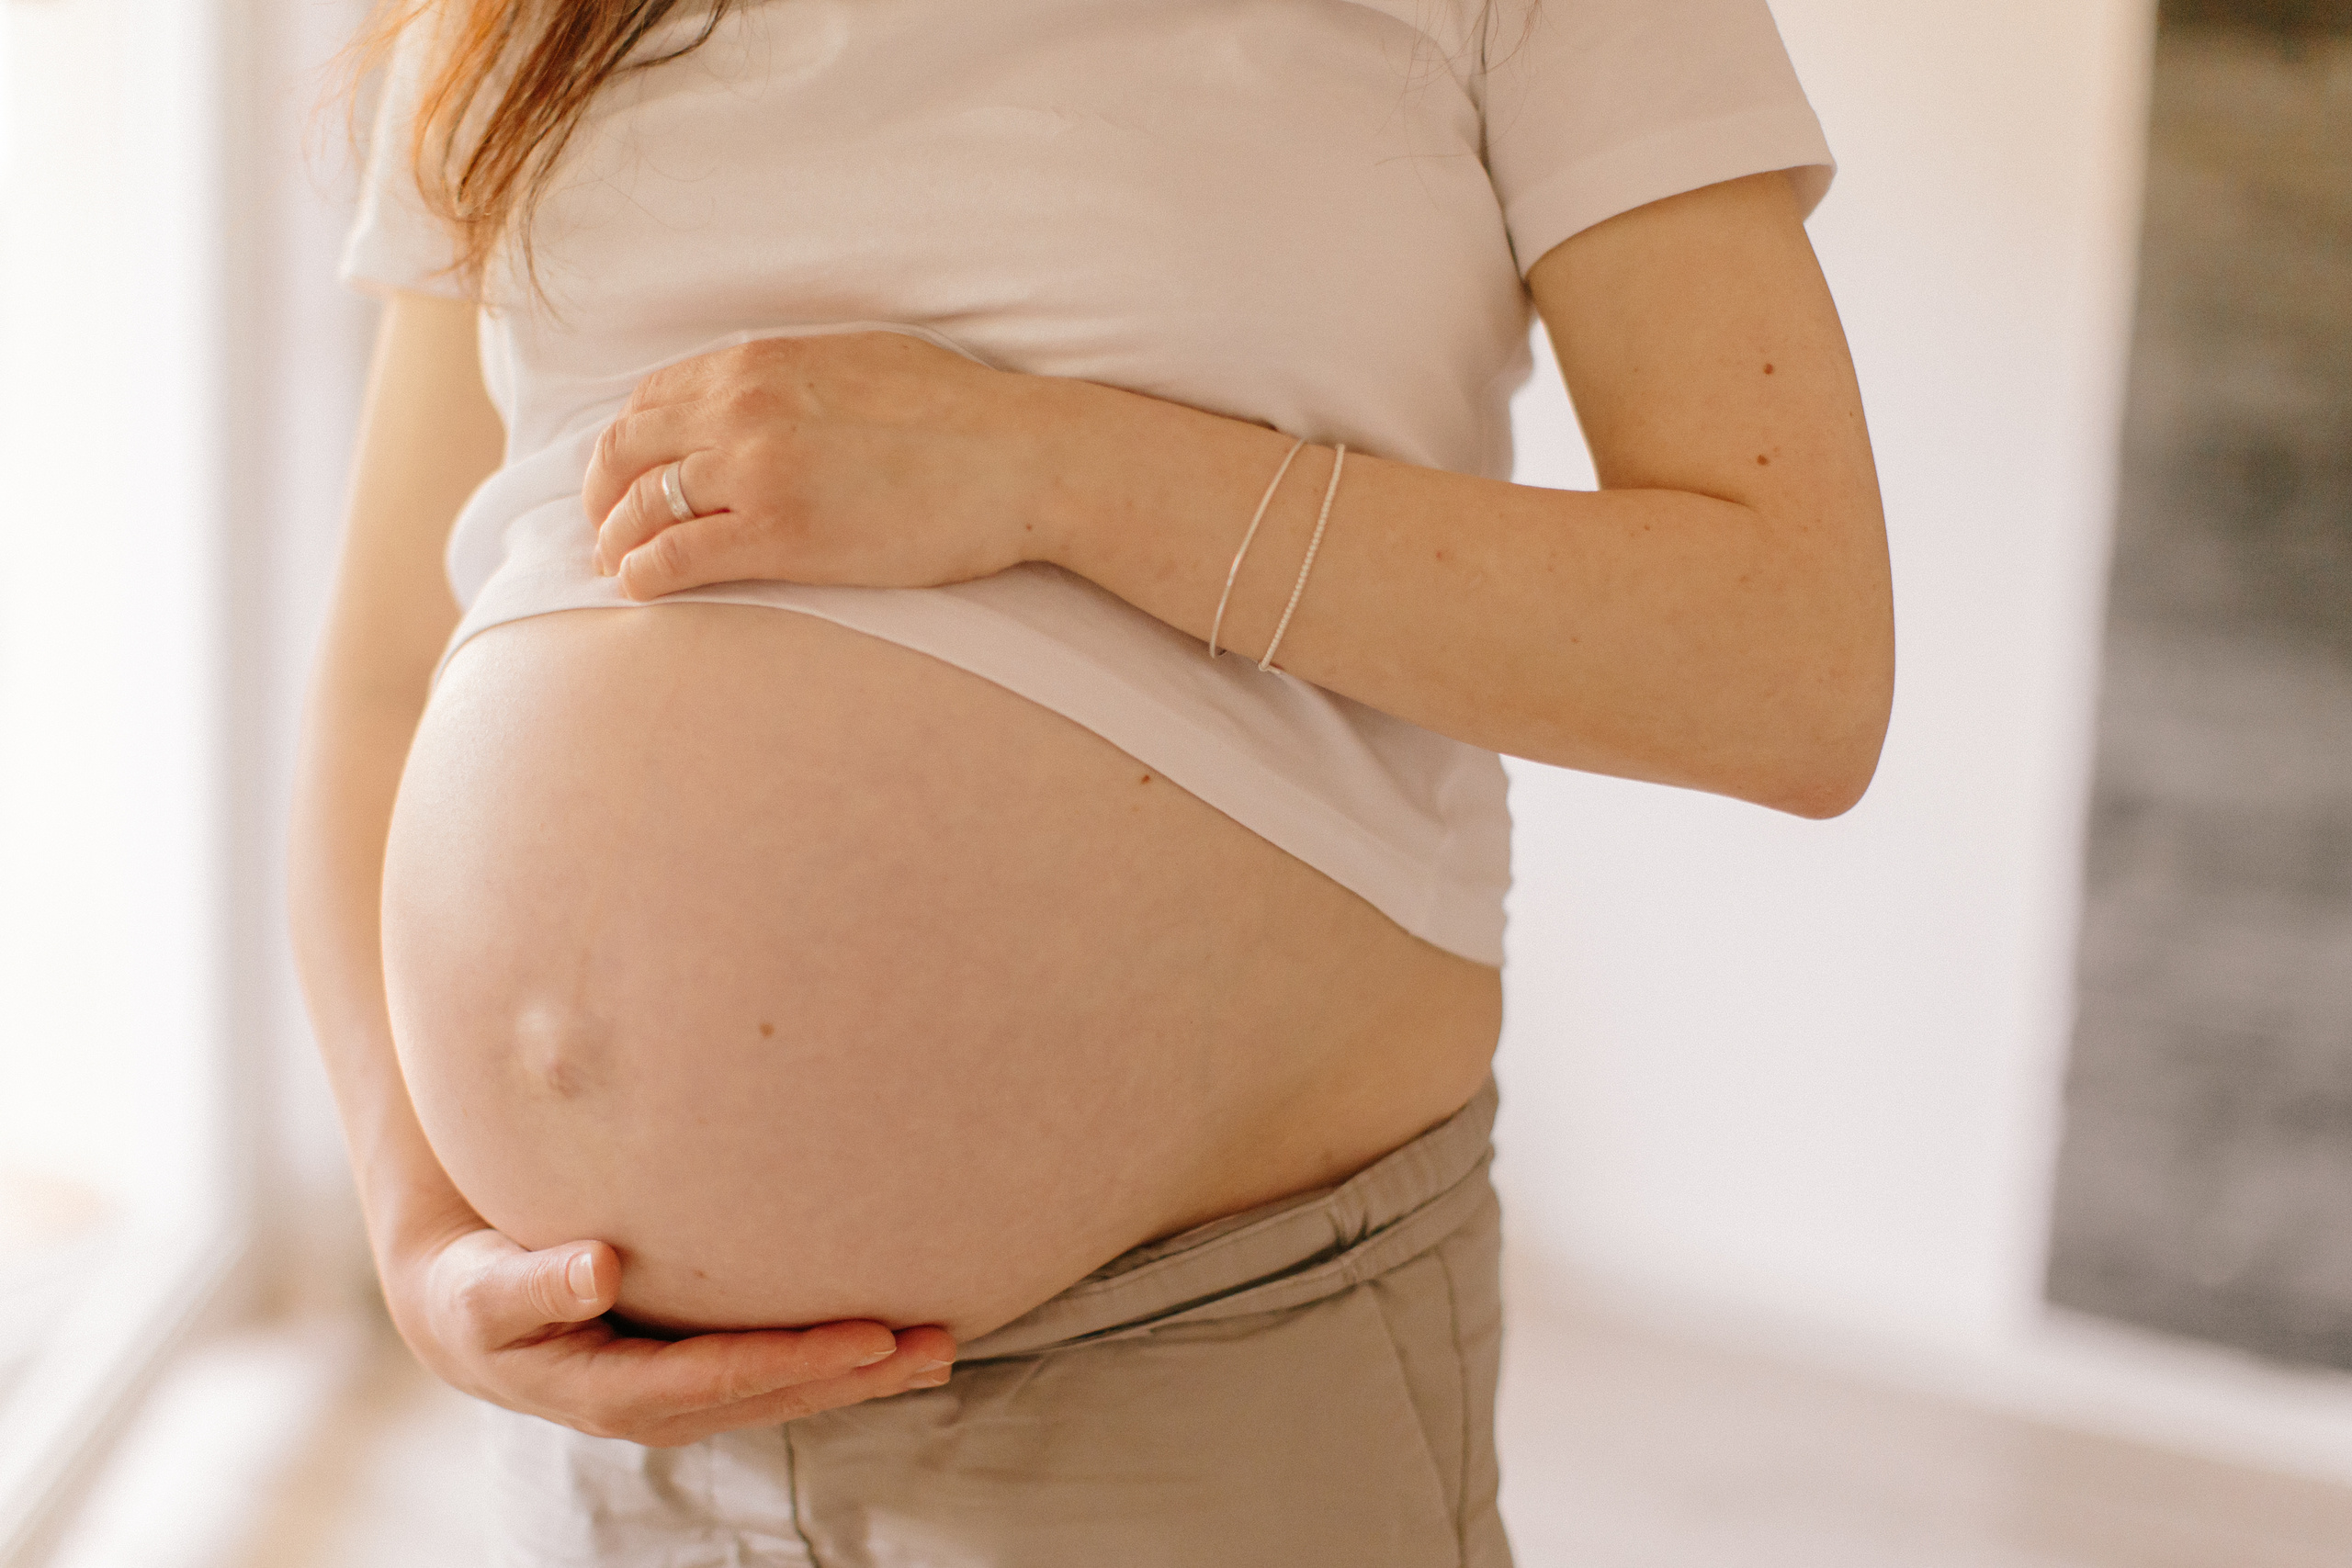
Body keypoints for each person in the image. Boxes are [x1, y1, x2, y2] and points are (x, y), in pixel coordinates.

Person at [290, 0, 1892, 1561]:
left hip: (1186, 1377)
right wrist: (416, 1229)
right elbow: (378, 681)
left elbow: (1790, 667)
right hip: (608, 1435)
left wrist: (1049, 467)